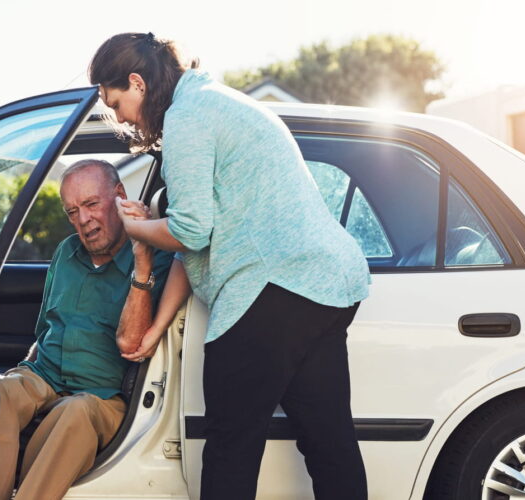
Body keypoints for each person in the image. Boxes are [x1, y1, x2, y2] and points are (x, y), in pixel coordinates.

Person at [89, 33, 372, 499]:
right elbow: (196, 242)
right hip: (326, 286)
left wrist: (133, 228)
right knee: (330, 443)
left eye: (116, 103)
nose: (120, 117)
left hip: (271, 289)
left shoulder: (187, 117)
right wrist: (158, 325)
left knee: (228, 449)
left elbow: (190, 232)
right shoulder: (217, 101)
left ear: (137, 83)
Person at [0, 159, 173, 500]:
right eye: (72, 211)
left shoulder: (157, 260)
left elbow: (132, 342)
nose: (84, 221)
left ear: (119, 195)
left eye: (91, 204)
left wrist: (141, 259)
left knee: (74, 412)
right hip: (45, 377)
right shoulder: (65, 252)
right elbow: (44, 330)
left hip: (102, 396)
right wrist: (22, 374)